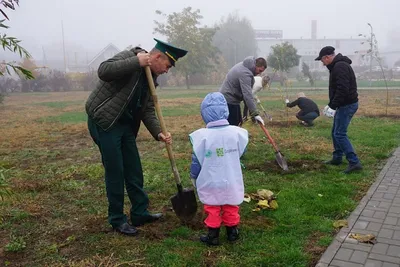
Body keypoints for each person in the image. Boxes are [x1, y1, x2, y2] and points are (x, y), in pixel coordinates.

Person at [85, 38, 188, 236]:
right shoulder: (131, 56)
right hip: (105, 121)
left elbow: (148, 109)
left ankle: (139, 212)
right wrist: (136, 62)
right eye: (167, 65)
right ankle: (117, 219)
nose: (167, 71)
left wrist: (158, 132)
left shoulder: (151, 79)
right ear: (157, 57)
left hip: (124, 124)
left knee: (134, 169)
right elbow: (103, 70)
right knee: (116, 171)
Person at [189, 92, 248, 246]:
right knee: (231, 204)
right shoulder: (237, 133)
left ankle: (213, 235)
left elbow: (196, 160)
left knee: (212, 206)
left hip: (211, 180)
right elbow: (241, 151)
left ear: (205, 114)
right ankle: (232, 232)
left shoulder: (202, 137)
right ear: (226, 110)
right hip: (230, 177)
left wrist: (194, 175)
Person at [315, 46, 362, 174]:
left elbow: (343, 89)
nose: (322, 63)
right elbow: (338, 89)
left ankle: (354, 162)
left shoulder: (340, 67)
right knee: (335, 131)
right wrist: (332, 104)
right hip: (344, 104)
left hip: (347, 104)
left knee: (340, 134)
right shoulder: (337, 66)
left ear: (327, 57)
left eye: (322, 60)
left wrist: (333, 106)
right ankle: (337, 158)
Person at [219, 57, 267, 126]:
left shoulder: (246, 66)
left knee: (238, 123)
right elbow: (247, 94)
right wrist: (255, 114)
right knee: (233, 125)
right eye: (259, 70)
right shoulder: (245, 73)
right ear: (256, 65)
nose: (259, 73)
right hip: (229, 100)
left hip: (231, 98)